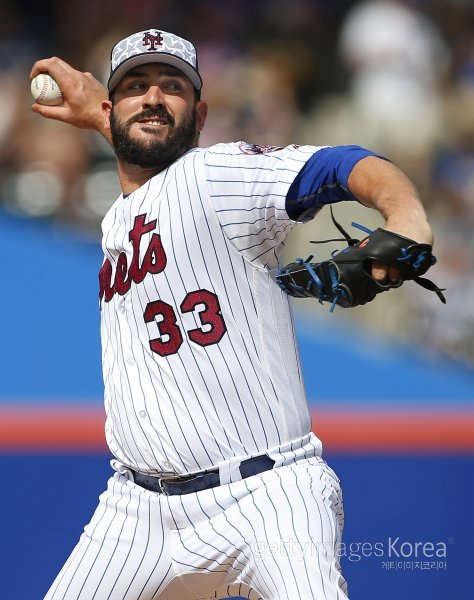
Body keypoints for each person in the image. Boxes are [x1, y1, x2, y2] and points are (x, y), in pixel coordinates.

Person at [31, 29, 434, 600]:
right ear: (109, 107)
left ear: (199, 118)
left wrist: (405, 213)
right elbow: (144, 159)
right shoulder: (121, 214)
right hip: (136, 508)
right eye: (135, 86)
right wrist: (104, 117)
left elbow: (339, 164)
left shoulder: (219, 175)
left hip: (267, 494)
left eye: (172, 87)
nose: (152, 98)